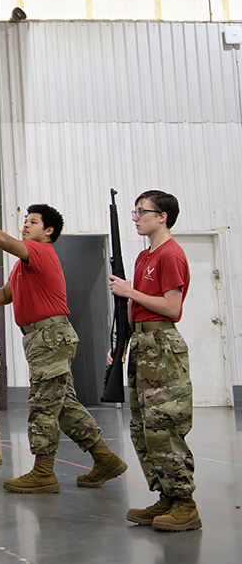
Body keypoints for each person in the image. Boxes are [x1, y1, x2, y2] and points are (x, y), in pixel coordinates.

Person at [0, 202, 127, 493]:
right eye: (25, 220)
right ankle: (104, 458)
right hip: (40, 338)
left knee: (43, 404)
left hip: (50, 335)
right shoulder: (23, 265)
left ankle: (44, 472)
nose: (25, 225)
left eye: (33, 222)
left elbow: (6, 242)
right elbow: (5, 295)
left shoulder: (40, 252)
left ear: (48, 231)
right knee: (64, 406)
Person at [107, 191, 199, 531]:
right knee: (143, 428)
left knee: (164, 426)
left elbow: (172, 308)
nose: (135, 217)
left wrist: (130, 291)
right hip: (142, 344)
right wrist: (121, 345)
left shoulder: (170, 254)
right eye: (134, 211)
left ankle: (185, 504)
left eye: (142, 211)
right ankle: (167, 496)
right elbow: (133, 309)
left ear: (162, 216)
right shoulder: (144, 256)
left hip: (162, 344)